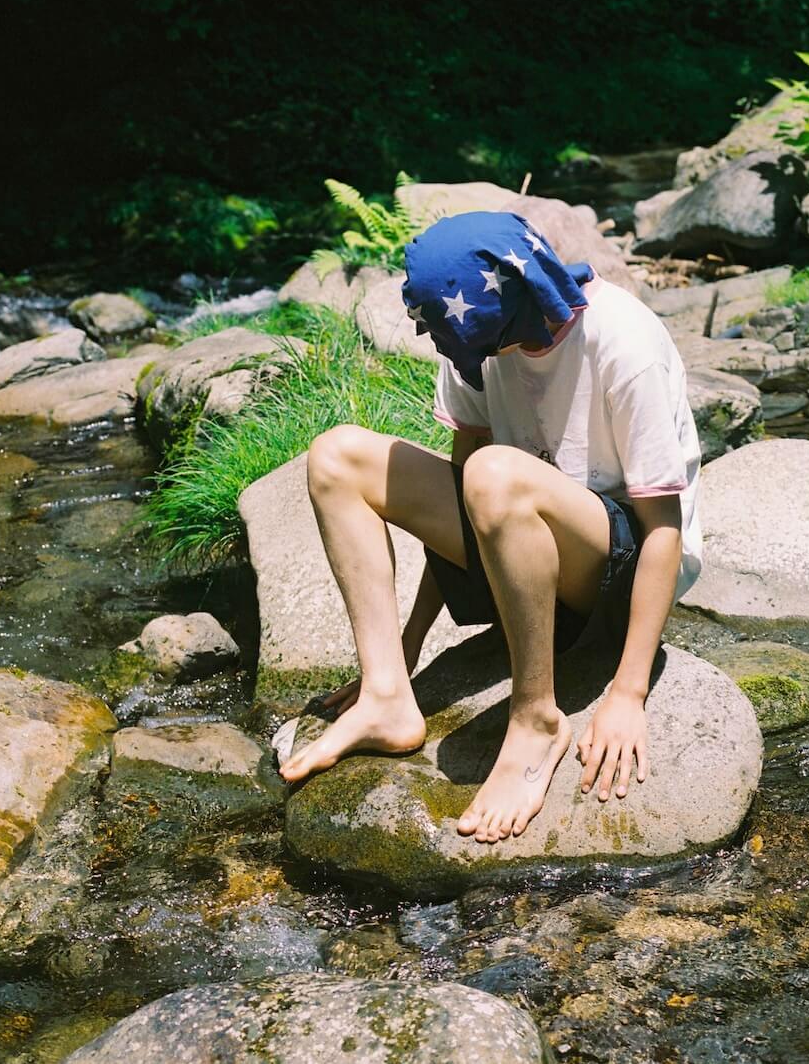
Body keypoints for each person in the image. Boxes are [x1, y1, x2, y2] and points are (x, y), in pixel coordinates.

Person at [276, 210, 704, 845]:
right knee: (338, 456)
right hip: (514, 540)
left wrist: (628, 692)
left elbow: (665, 529)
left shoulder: (624, 345)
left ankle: (536, 718)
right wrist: (412, 643)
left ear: (508, 308)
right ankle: (386, 696)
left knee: (494, 471)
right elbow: (459, 503)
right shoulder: (476, 344)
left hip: (620, 566)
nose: (453, 355)